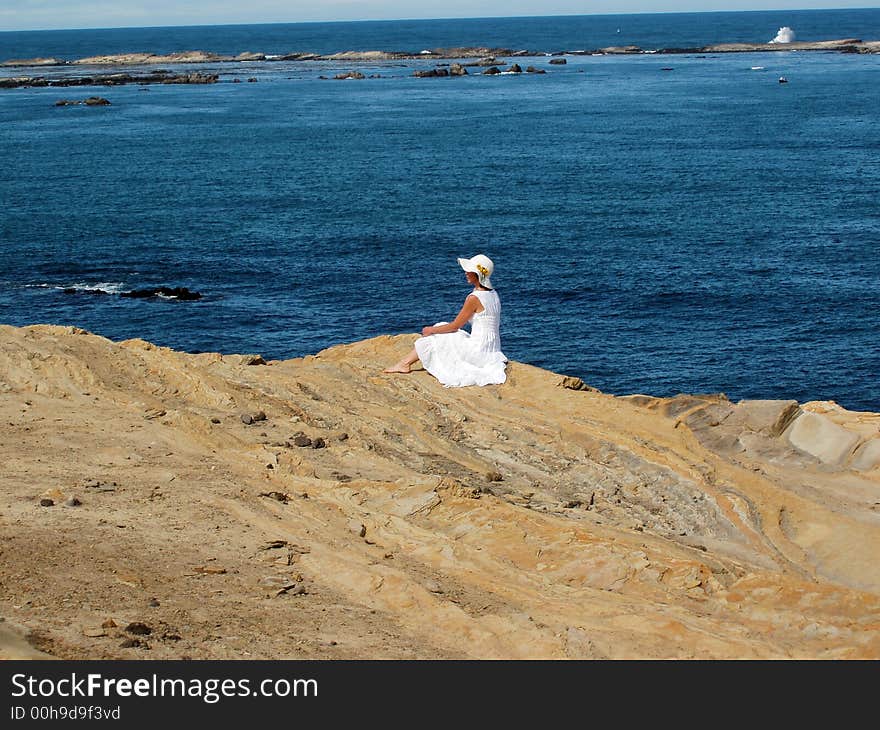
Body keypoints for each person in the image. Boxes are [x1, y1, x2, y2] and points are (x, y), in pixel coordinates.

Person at [383, 254, 508, 386]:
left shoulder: (474, 298)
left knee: (436, 335)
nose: (466, 273)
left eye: (469, 270)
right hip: (492, 350)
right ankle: (404, 363)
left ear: (477, 274)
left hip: (478, 351)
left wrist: (431, 330)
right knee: (441, 329)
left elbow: (455, 326)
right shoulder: (493, 294)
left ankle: (404, 364)